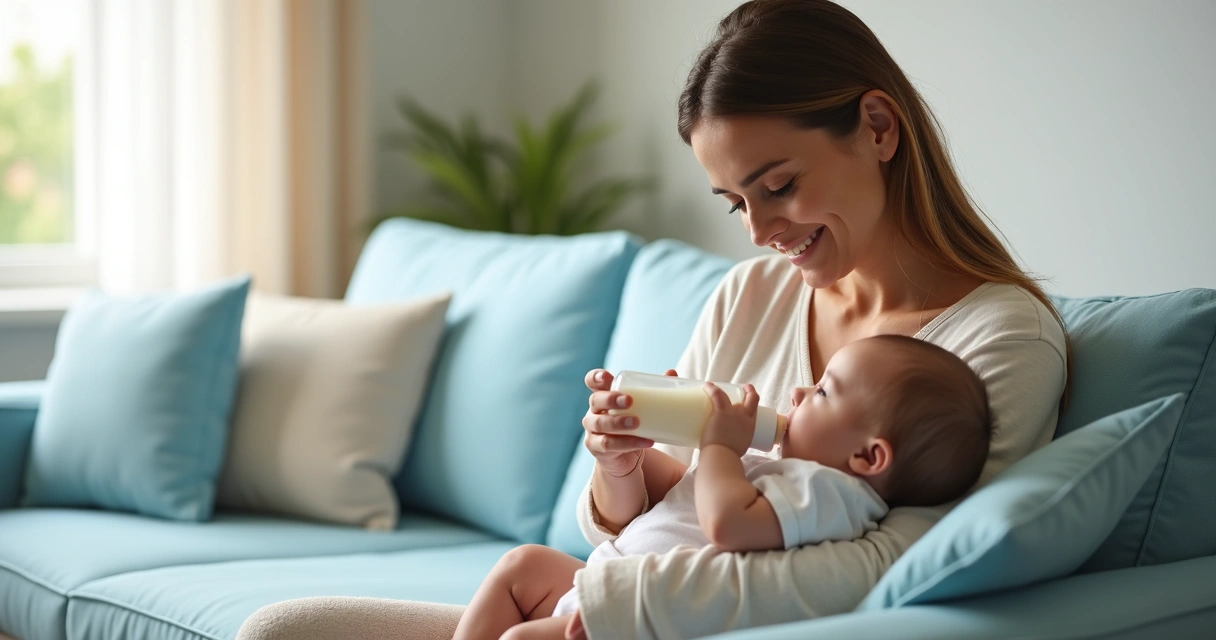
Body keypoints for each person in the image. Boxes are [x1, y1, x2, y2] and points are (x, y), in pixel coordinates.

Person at [236, 1, 1068, 638]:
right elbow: (642, 523)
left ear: (878, 128)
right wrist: (621, 465)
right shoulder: (752, 294)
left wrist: (605, 604)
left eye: (777, 185)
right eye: (735, 200)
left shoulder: (997, 342)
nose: (759, 231)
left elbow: (887, 574)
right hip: (609, 597)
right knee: (285, 630)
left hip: (659, 619)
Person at [452, 335, 992, 640]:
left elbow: (727, 525)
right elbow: (682, 496)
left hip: (630, 618)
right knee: (522, 564)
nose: (801, 391)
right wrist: (634, 454)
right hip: (603, 576)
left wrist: (719, 447)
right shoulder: (780, 471)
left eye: (825, 392)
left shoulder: (835, 497)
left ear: (868, 456)